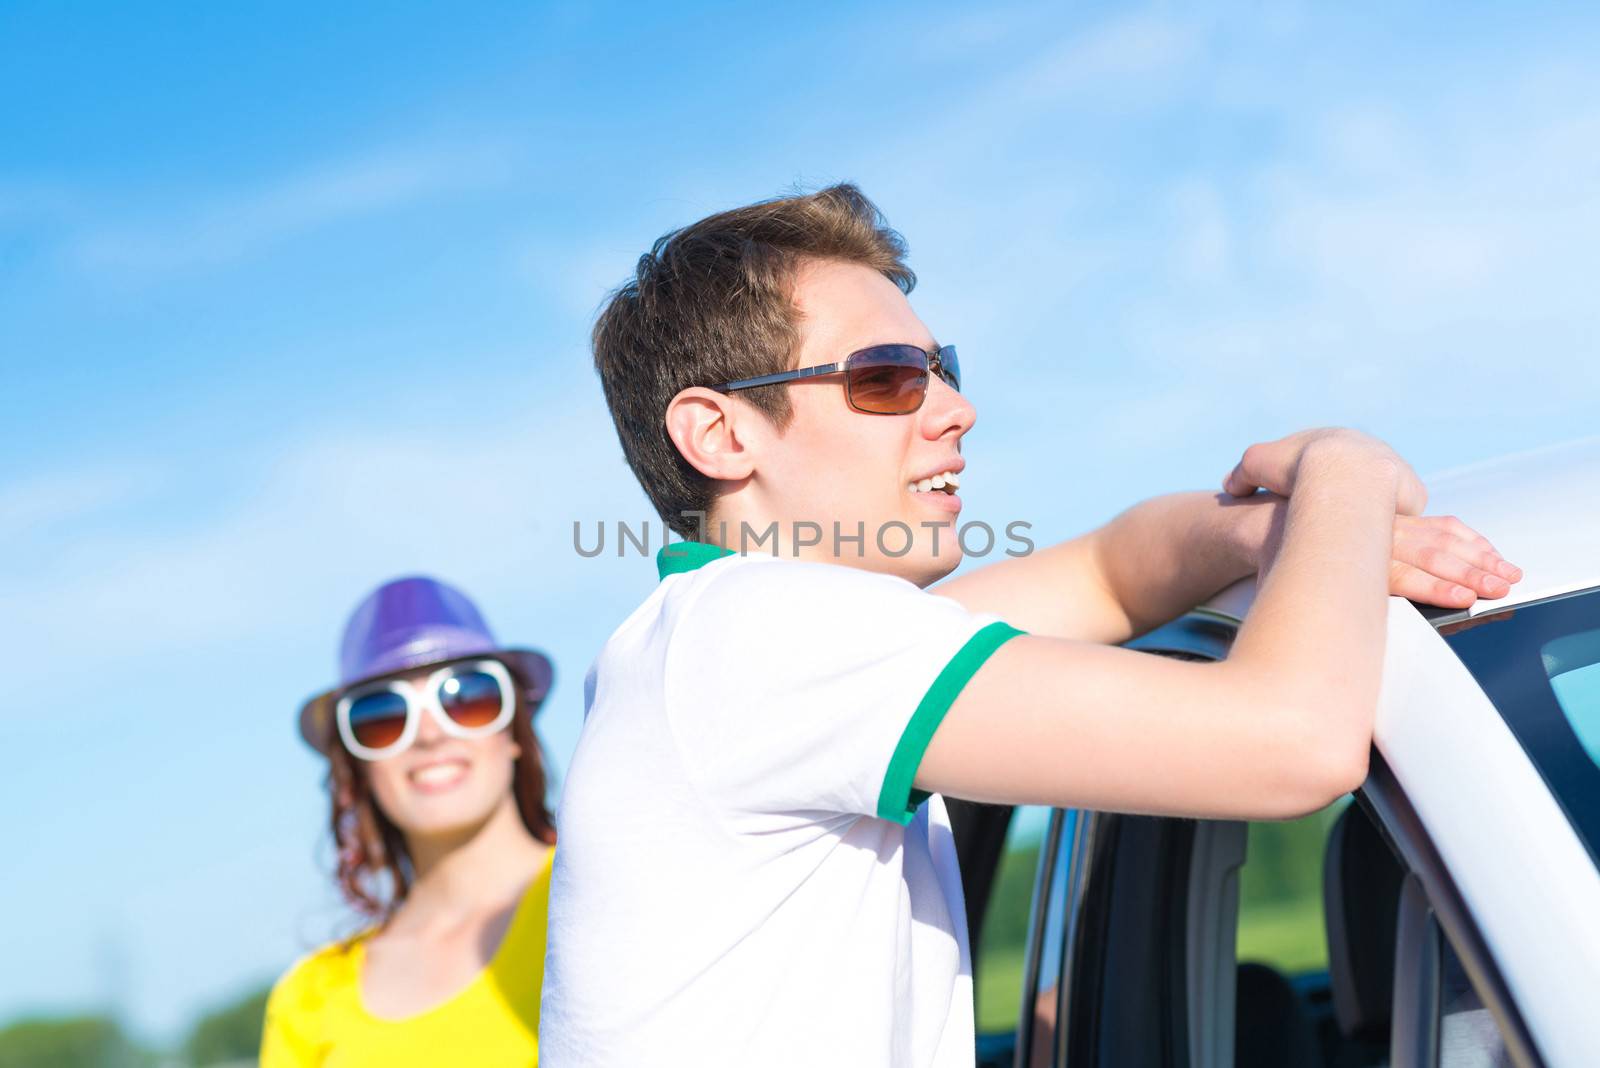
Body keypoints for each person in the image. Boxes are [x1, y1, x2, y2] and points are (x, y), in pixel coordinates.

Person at [539, 184, 1521, 1066]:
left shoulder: (708, 642)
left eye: (943, 367)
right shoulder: (768, 636)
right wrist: (1340, 471)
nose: (957, 410)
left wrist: (1283, 537)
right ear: (719, 433)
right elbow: (1294, 743)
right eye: (888, 376)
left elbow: (1109, 569)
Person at [261, 576, 558, 1066]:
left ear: (515, 731)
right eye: (382, 715)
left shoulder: (609, 891)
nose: (428, 733)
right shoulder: (309, 998)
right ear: (355, 765)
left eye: (466, 695)